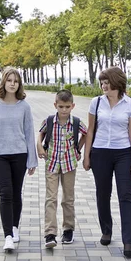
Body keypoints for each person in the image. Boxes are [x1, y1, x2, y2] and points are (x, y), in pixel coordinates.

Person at [83, 66, 131, 258]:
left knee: (126, 195)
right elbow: (90, 130)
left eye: (106, 82)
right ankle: (106, 230)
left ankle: (128, 241)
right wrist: (86, 155)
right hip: (100, 153)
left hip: (123, 154)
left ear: (117, 82)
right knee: (103, 194)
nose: (103, 86)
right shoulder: (96, 103)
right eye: (102, 82)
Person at [0, 67, 38, 252]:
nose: (12, 83)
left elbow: (29, 133)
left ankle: (14, 227)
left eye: (16, 81)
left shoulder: (24, 106)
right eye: (9, 80)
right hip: (0, 156)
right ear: (3, 82)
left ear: (19, 84)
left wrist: (32, 160)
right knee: (6, 193)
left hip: (19, 155)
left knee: (16, 193)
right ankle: (8, 237)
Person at [37, 90, 87, 249]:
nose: (64, 110)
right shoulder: (50, 121)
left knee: (68, 198)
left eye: (67, 106)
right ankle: (50, 233)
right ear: (55, 105)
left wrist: (78, 149)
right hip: (51, 163)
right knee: (51, 198)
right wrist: (39, 146)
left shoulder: (77, 122)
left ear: (73, 106)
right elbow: (41, 134)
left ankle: (68, 229)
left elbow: (86, 134)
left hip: (69, 164)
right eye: (61, 106)